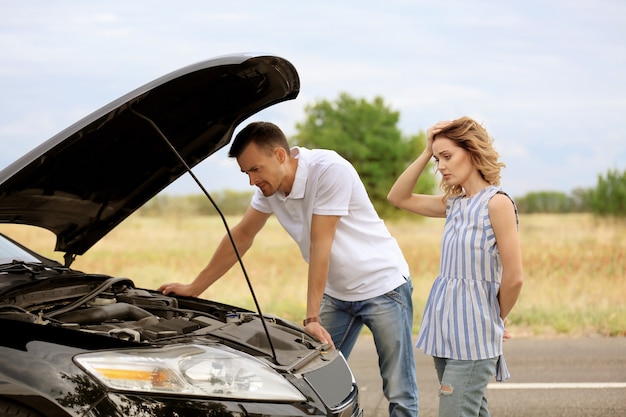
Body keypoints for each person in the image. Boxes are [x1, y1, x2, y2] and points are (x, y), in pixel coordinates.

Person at [159, 121, 419, 417]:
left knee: (399, 388)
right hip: (337, 293)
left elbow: (321, 243)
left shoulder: (329, 169)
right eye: (246, 173)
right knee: (314, 381)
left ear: (280, 155)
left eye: (255, 170)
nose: (251, 181)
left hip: (383, 287)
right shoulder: (269, 190)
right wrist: (194, 288)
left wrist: (311, 316)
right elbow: (242, 235)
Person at [387, 117, 524, 417]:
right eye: (438, 160)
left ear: (472, 152)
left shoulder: (497, 203)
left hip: (474, 335)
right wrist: (426, 152)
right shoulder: (454, 204)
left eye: (447, 156)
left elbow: (514, 279)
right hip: (444, 330)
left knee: (455, 411)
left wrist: (493, 318)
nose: (441, 166)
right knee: (471, 411)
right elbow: (398, 197)